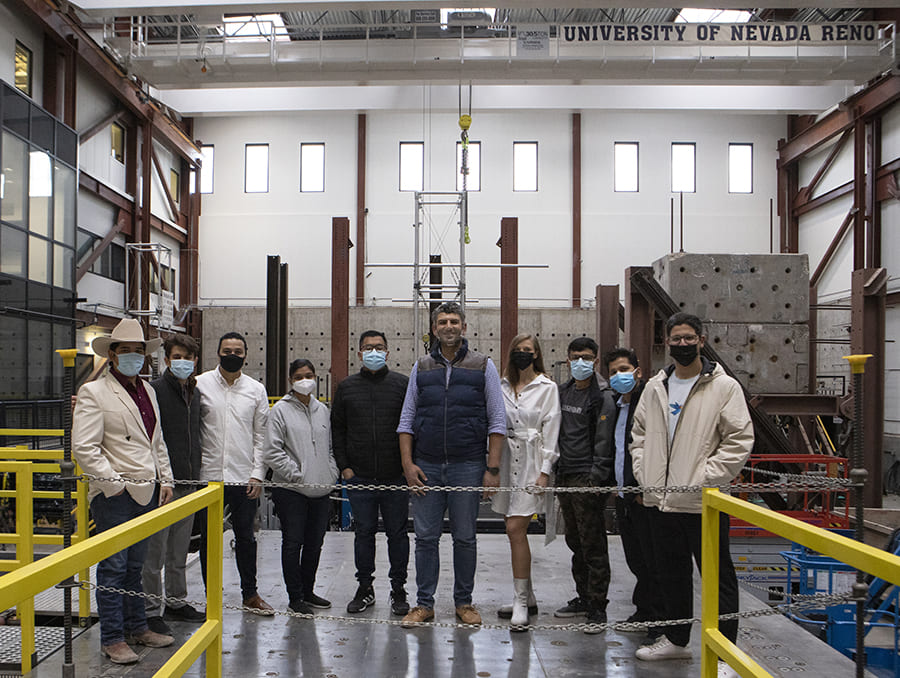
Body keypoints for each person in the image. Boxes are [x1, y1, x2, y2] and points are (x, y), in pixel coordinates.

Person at [631, 312, 753, 668]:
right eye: (676, 338)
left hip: (704, 503)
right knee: (670, 574)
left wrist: (703, 477)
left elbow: (738, 440)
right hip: (660, 501)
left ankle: (726, 652)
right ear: (667, 342)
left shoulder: (723, 387)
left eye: (689, 338)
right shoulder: (656, 386)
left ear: (702, 340)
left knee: (718, 578)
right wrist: (644, 472)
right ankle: (676, 639)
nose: (682, 344)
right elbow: (639, 435)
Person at [397, 301, 506, 628]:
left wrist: (492, 468)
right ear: (434, 328)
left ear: (464, 327)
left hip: (468, 465)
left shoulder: (482, 366)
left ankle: (464, 602)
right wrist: (407, 464)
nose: (448, 326)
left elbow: (497, 421)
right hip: (426, 465)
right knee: (426, 538)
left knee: (465, 537)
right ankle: (424, 604)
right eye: (442, 321)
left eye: (454, 321)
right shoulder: (421, 367)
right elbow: (406, 420)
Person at [72, 318, 175, 665]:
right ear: (112, 355)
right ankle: (113, 638)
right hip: (114, 496)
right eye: (126, 350)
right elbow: (85, 447)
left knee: (135, 566)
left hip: (147, 490)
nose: (133, 356)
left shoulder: (148, 391)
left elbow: (156, 442)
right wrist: (113, 485)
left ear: (145, 356)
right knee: (113, 567)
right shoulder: (94, 391)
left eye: (138, 351)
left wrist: (167, 480)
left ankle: (137, 626)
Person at [331, 331, 411, 616]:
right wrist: (345, 466)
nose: (373, 351)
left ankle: (398, 589)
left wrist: (408, 466)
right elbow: (337, 429)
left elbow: (413, 425)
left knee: (398, 534)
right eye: (368, 347)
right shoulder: (347, 387)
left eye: (379, 347)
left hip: (395, 477)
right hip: (360, 476)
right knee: (363, 533)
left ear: (388, 352)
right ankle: (364, 587)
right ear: (359, 353)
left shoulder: (402, 384)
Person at [196, 331, 273, 615]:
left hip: (244, 478)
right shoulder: (200, 384)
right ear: (217, 353)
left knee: (246, 538)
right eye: (226, 350)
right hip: (208, 477)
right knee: (209, 540)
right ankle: (210, 595)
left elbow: (261, 436)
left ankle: (250, 594)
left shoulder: (256, 390)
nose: (232, 355)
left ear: (245, 354)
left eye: (237, 351)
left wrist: (257, 475)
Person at [491, 334, 560, 629]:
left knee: (515, 528)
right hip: (507, 463)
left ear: (536, 354)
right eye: (517, 350)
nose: (522, 354)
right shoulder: (501, 385)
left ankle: (520, 599)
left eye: (528, 351)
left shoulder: (548, 387)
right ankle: (527, 595)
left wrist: (544, 470)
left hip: (533, 464)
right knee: (512, 530)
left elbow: (551, 428)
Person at [263, 359, 339, 615]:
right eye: (298, 376)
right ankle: (295, 597)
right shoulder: (280, 411)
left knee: (315, 542)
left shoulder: (322, 410)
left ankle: (308, 590)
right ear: (290, 381)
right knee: (293, 542)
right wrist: (295, 475)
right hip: (291, 490)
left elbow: (329, 448)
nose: (305, 380)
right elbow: (272, 452)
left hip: (321, 489)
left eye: (309, 375)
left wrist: (330, 474)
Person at [142, 334, 206, 635]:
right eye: (178, 356)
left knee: (179, 550)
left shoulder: (195, 392)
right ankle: (150, 610)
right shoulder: (154, 392)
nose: (184, 362)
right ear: (167, 359)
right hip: (162, 485)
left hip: (189, 482)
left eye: (189, 358)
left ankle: (177, 602)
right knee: (155, 553)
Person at [552, 337, 616, 634]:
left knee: (593, 544)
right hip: (565, 475)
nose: (581, 362)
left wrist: (596, 476)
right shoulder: (562, 392)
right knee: (575, 540)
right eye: (576, 356)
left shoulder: (601, 396)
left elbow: (605, 440)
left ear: (596, 360)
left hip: (587, 477)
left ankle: (597, 606)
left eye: (587, 357)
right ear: (568, 360)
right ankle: (582, 596)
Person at [603, 347, 661, 641]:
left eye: (624, 369)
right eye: (613, 372)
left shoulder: (648, 403)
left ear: (638, 371)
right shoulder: (615, 405)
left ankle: (659, 620)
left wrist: (642, 487)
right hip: (624, 494)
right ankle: (644, 610)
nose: (619, 375)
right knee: (635, 557)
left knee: (653, 558)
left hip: (644, 494)